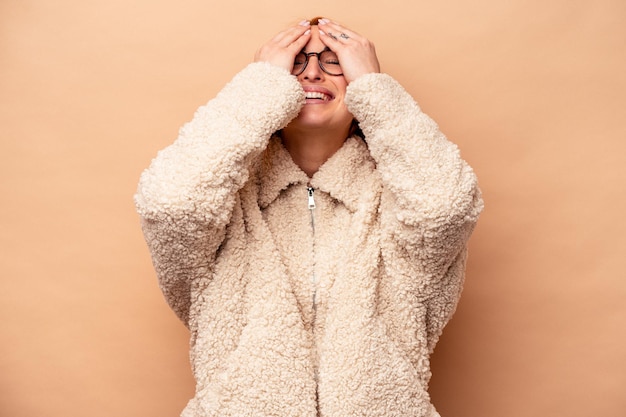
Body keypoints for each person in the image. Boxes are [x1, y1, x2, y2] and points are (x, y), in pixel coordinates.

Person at [135, 17, 483, 417]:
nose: (313, 72)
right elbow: (169, 204)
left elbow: (447, 208)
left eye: (334, 61)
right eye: (296, 62)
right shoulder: (223, 206)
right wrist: (260, 84)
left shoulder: (401, 202)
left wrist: (375, 88)